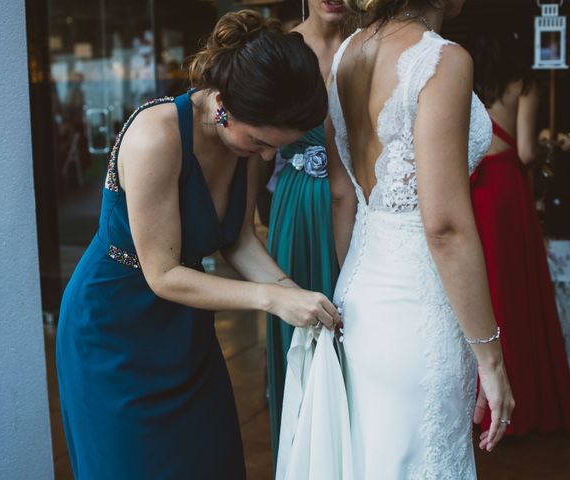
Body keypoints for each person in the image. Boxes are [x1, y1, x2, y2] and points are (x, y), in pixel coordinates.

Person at [55, 10, 340, 479]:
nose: (268, 157)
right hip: (113, 333)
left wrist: (296, 292)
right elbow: (162, 273)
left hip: (185, 330)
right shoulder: (156, 137)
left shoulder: (242, 144)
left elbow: (239, 239)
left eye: (276, 147)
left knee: (212, 462)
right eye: (261, 143)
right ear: (224, 104)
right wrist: (273, 300)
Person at [282, 0, 515, 477]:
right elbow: (444, 226)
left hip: (360, 292)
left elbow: (343, 194)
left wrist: (350, 287)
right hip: (420, 307)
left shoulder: (349, 52)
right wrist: (490, 358)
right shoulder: (444, 60)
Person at [469, 29, 570, 435]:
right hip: (509, 190)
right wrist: (553, 146)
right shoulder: (523, 85)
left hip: (476, 187)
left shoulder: (468, 84)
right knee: (516, 287)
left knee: (485, 284)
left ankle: (480, 401)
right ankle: (522, 402)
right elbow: (527, 151)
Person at [265, 0, 347, 456]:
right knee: (299, 335)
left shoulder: (374, 47)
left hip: (361, 208)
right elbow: (254, 151)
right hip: (297, 211)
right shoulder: (283, 50)